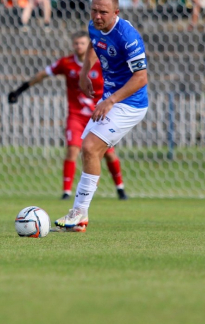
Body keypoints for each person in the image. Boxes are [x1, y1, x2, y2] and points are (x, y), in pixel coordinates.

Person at [54, 0, 148, 232]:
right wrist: (86, 71)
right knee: (89, 150)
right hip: (110, 98)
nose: (97, 16)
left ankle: (78, 213)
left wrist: (110, 101)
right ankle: (79, 217)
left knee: (89, 147)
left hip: (130, 104)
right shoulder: (94, 26)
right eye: (94, 10)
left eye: (103, 12)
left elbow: (141, 78)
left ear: (116, 13)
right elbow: (94, 46)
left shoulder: (128, 37)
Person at [8, 32, 128, 200]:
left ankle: (120, 189)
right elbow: (42, 74)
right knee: (72, 150)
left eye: (82, 43)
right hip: (76, 116)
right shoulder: (66, 63)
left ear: (89, 45)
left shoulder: (102, 62)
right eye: (76, 43)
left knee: (108, 153)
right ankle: (66, 192)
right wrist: (20, 90)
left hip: (98, 115)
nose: (79, 46)